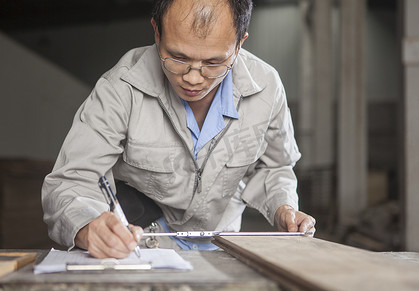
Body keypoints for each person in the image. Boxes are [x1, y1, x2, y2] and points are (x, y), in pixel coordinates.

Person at [42, 0, 316, 259]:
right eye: (177, 57)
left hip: (224, 247)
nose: (193, 78)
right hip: (142, 246)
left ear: (239, 44)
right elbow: (71, 181)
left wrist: (284, 207)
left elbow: (275, 167)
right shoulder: (120, 89)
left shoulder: (266, 88)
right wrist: (88, 226)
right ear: (157, 32)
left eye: (213, 63)